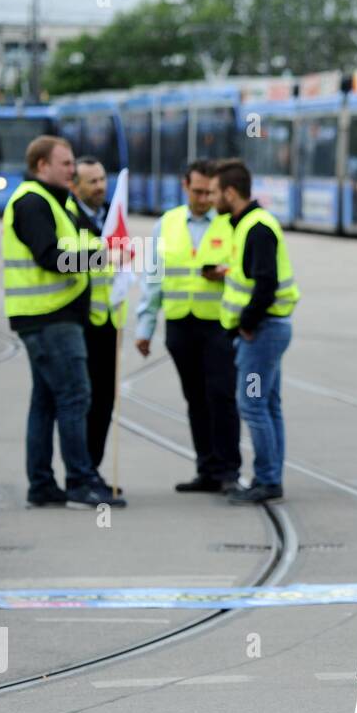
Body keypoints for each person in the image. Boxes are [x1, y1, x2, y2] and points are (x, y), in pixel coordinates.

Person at [2, 136, 123, 509]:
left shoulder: (54, 202)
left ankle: (42, 485)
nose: (73, 170)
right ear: (42, 166)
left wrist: (103, 250)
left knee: (46, 402)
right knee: (75, 397)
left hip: (50, 317)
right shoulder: (33, 203)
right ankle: (80, 482)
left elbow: (78, 245)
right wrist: (98, 258)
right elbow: (50, 257)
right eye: (66, 164)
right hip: (51, 318)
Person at [134, 160, 242, 493]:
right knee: (195, 398)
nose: (203, 198)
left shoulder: (229, 223)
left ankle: (228, 472)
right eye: (197, 191)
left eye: (209, 192)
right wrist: (145, 326)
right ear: (185, 186)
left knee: (221, 397)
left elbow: (247, 268)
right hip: (181, 326)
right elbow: (153, 278)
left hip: (220, 325)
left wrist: (226, 271)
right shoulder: (166, 224)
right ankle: (207, 469)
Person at [209, 159, 300, 505]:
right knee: (268, 405)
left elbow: (265, 283)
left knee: (252, 405)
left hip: (261, 332)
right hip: (267, 329)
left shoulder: (256, 227)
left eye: (216, 192)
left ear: (230, 193)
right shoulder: (248, 224)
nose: (213, 198)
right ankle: (271, 476)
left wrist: (246, 323)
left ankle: (266, 479)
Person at [68, 156, 126, 485]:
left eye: (103, 179)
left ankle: (94, 469)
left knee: (104, 400)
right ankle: (82, 472)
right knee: (82, 400)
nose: (101, 186)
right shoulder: (69, 218)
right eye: (92, 181)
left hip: (108, 324)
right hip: (80, 324)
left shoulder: (112, 218)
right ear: (75, 186)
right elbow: (64, 260)